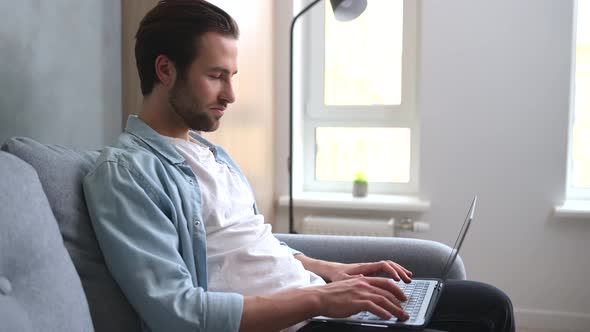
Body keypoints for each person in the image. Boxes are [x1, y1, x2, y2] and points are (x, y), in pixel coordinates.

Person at [83, 1, 515, 331]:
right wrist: (321, 301)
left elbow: (251, 248)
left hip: (318, 307)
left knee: (488, 304)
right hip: (300, 322)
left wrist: (332, 273)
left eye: (232, 75)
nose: (231, 95)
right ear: (165, 70)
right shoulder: (126, 174)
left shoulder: (210, 154)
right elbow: (176, 312)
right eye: (217, 75)